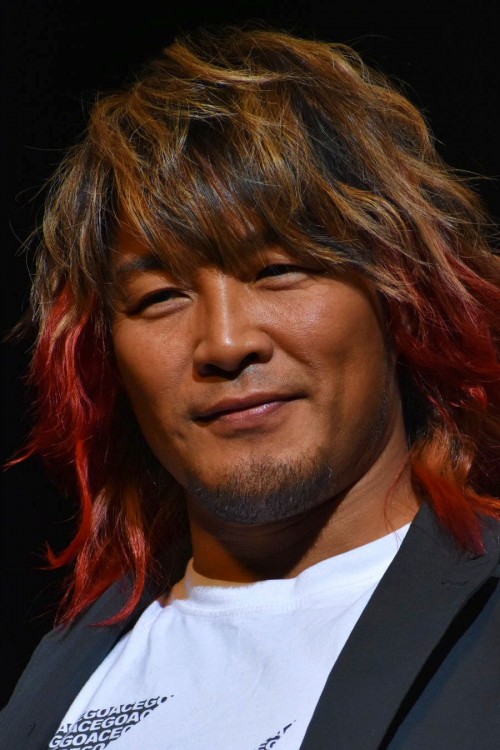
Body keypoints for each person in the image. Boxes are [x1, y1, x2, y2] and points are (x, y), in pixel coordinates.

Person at [1, 26, 500, 750]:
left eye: (278, 269)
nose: (226, 343)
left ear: (402, 294)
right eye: (161, 297)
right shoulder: (61, 682)